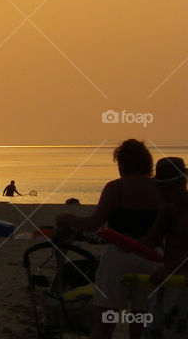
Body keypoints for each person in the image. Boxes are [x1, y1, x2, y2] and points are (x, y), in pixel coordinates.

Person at [57, 139, 160, 339]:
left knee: (104, 323)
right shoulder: (159, 189)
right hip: (151, 257)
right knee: (141, 322)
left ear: (122, 164)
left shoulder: (115, 188)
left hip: (118, 258)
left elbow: (93, 224)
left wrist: (67, 217)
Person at [144, 157, 188, 339]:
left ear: (181, 183)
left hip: (181, 279)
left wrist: (169, 268)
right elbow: (152, 238)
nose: (163, 194)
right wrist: (124, 243)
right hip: (168, 277)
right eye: (161, 189)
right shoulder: (167, 207)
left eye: (168, 188)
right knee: (154, 330)